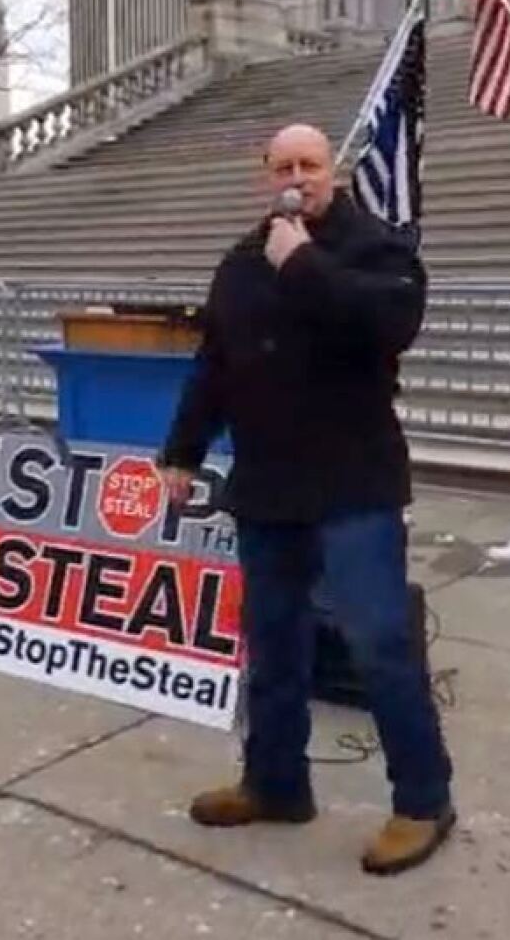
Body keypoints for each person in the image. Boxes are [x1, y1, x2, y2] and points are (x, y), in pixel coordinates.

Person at [158, 123, 454, 876]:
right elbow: (215, 363)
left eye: (311, 165)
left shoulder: (375, 248)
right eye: (284, 166)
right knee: (274, 647)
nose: (298, 176)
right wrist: (183, 450)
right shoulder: (241, 261)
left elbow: (393, 324)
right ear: (267, 175)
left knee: (380, 647)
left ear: (334, 171)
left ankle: (423, 801)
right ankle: (276, 782)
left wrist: (304, 264)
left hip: (354, 486)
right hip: (268, 486)